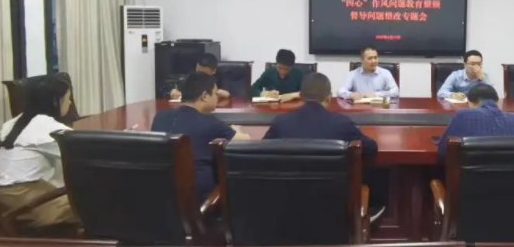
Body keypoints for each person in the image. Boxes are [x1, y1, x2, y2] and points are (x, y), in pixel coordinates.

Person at [0, 76, 80, 233]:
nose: (70, 103)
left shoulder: (16, 122)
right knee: (94, 204)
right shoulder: (50, 129)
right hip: (24, 202)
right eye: (68, 98)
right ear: (55, 102)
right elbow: (83, 156)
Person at [151, 72, 250, 200]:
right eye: (215, 94)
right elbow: (245, 141)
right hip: (198, 200)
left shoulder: (160, 117)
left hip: (161, 195)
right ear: (204, 96)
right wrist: (237, 129)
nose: (217, 98)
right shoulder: (210, 122)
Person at [265, 72, 377, 154]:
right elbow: (371, 148)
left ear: (302, 96)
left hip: (289, 180)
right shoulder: (342, 123)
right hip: (332, 181)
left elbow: (261, 151)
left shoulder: (281, 122)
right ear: (329, 98)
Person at [437, 84, 514, 158]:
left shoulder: (462, 116)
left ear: (470, 102)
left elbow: (443, 152)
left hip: (471, 178)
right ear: (497, 101)